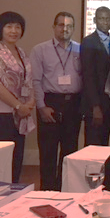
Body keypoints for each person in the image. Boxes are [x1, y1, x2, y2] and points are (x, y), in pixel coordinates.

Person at [0, 11, 35, 183]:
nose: (14, 31)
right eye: (9, 26)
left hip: (19, 116)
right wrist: (18, 105)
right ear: (0, 29)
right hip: (0, 114)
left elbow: (29, 81)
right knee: (0, 163)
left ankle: (13, 194)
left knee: (16, 160)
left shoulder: (21, 53)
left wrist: (29, 103)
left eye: (17, 27)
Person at [30, 12, 82, 190]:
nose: (64, 29)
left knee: (70, 151)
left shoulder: (80, 50)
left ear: (73, 28)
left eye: (69, 26)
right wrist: (41, 106)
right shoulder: (40, 50)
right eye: (61, 25)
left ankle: (64, 189)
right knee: (48, 151)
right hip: (50, 103)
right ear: (54, 27)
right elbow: (36, 81)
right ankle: (47, 190)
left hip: (73, 104)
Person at [81, 6, 110, 146]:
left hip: (107, 103)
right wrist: (95, 106)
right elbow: (88, 75)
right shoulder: (89, 41)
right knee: (93, 145)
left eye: (107, 19)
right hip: (95, 105)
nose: (105, 22)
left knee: (104, 144)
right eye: (101, 18)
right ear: (95, 20)